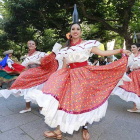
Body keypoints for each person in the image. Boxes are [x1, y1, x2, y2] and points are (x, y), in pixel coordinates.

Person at [26, 5, 131, 140]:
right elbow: (64, 67)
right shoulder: (65, 49)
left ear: (81, 32)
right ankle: (58, 131)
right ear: (70, 33)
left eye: (78, 29)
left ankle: (85, 128)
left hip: (85, 76)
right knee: (62, 103)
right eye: (73, 29)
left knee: (84, 101)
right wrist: (55, 80)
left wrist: (121, 51)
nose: (75, 31)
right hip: (70, 77)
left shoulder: (87, 44)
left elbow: (103, 53)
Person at [0, 40, 62, 113]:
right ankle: (27, 107)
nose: (31, 45)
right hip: (29, 74)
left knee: (39, 90)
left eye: (33, 44)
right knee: (26, 88)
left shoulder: (40, 54)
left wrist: (53, 53)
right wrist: (12, 66)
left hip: (39, 74)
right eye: (30, 44)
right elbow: (22, 66)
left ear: (35, 46)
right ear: (28, 46)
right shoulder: (27, 58)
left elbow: (47, 59)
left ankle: (41, 107)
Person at [112, 43, 140, 113]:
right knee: (134, 90)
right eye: (131, 47)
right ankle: (136, 107)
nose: (132, 48)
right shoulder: (130, 56)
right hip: (133, 75)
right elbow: (127, 67)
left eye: (134, 47)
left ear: (138, 48)